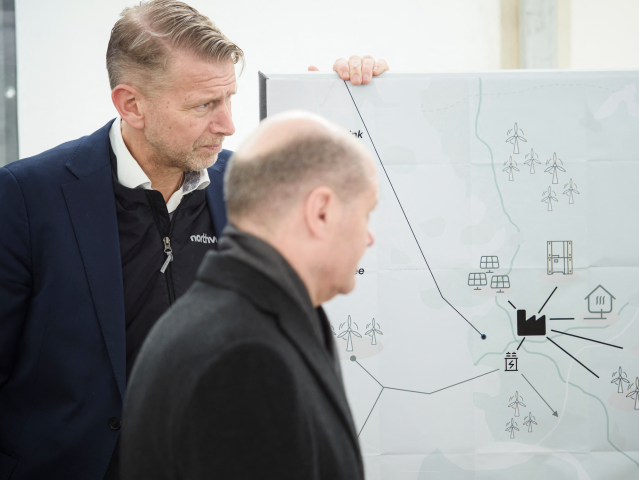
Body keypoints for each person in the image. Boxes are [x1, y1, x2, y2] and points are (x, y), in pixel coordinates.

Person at [0, 1, 388, 479]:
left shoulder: (245, 184)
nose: (227, 124)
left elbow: (333, 205)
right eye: (205, 104)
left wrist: (348, 99)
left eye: (229, 98)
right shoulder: (25, 198)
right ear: (131, 105)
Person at [121, 110, 377, 479]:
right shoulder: (245, 358)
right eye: (366, 213)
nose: (369, 237)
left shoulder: (237, 317)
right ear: (320, 212)